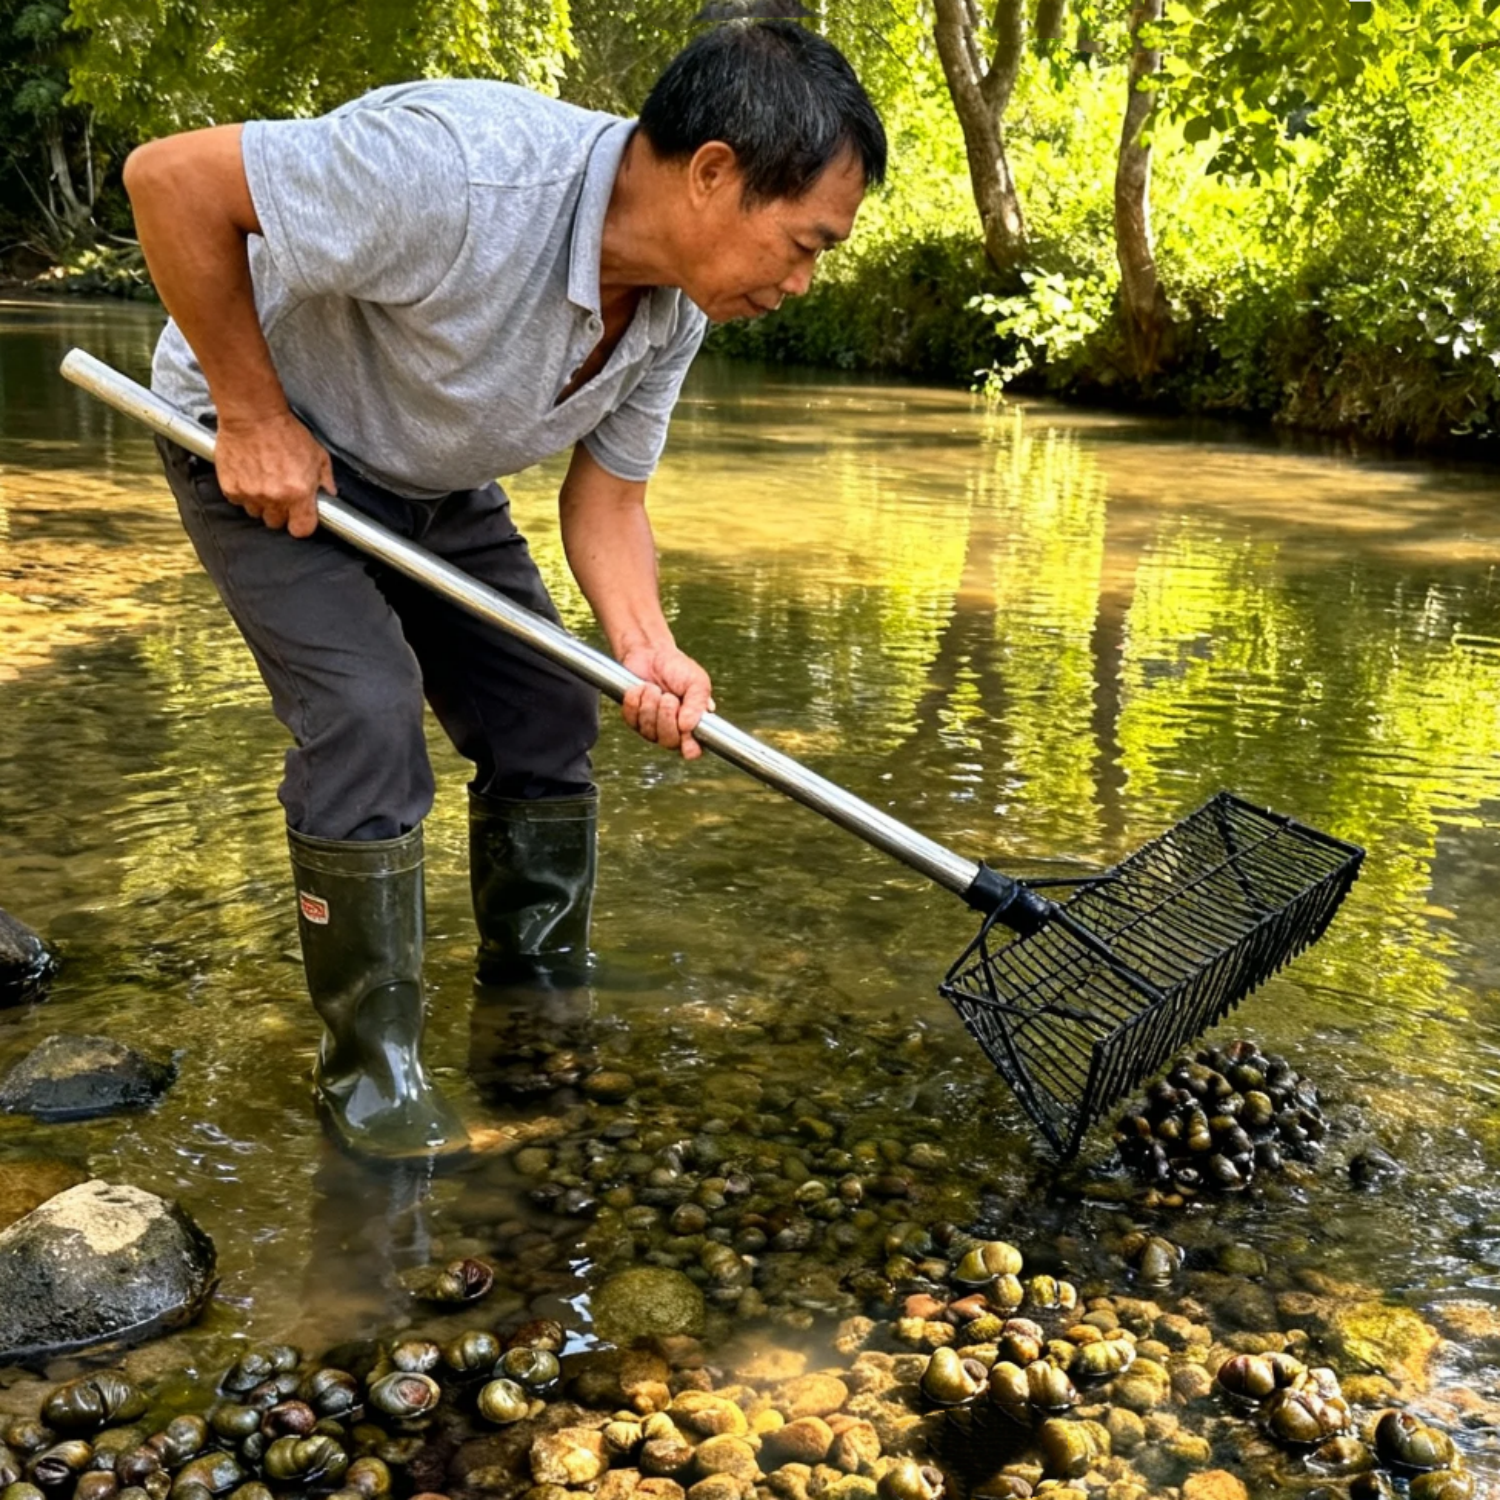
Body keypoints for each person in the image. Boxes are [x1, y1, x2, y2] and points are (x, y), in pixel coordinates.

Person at [121, 21, 887, 1161]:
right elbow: (171, 179)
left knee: (543, 711)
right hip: (275, 461)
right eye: (804, 243)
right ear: (715, 173)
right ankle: (371, 1077)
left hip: (433, 473)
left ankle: (533, 996)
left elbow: (610, 502)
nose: (804, 280)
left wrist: (649, 647)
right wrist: (250, 413)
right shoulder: (462, 174)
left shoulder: (674, 304)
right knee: (368, 720)